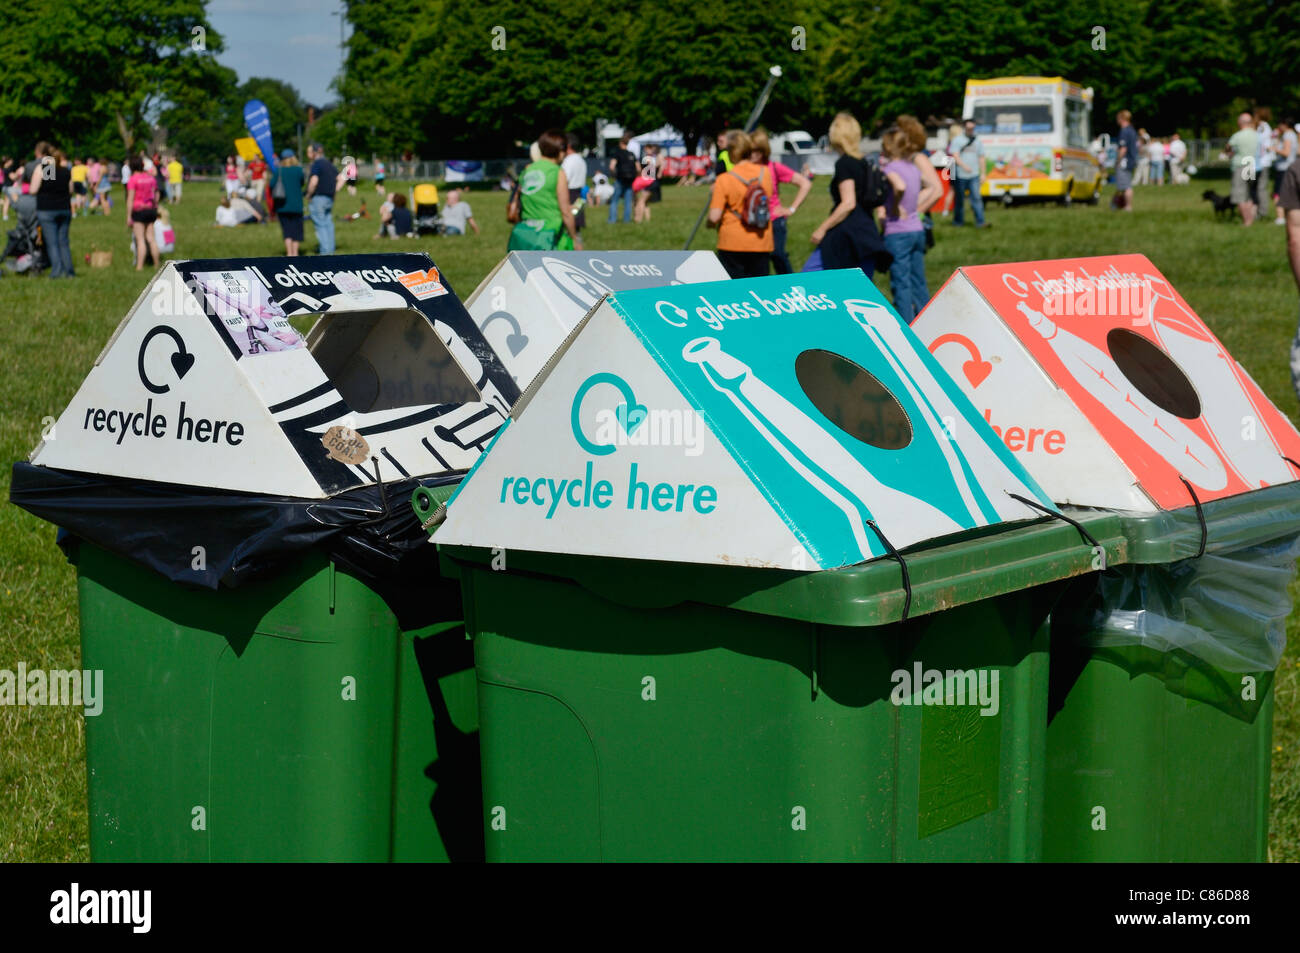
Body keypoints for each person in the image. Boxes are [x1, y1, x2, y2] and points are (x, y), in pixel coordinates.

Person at [809, 112, 889, 277]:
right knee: (861, 288)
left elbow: (848, 203)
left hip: (847, 233)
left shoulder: (844, 164)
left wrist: (821, 229)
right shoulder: (864, 162)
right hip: (867, 231)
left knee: (810, 276)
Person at [878, 125, 929, 322]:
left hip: (897, 231)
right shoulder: (914, 168)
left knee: (901, 282)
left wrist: (895, 206)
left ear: (889, 147)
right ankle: (926, 319)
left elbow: (899, 186)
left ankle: (907, 324)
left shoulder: (889, 168)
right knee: (919, 281)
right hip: (917, 228)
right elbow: (929, 186)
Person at [706, 129, 773, 278]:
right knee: (759, 292)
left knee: (733, 294)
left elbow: (714, 216)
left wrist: (709, 224)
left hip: (732, 243)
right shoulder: (765, 173)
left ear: (731, 152)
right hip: (761, 240)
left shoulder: (724, 179)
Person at [749, 129, 810, 274]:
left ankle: (791, 286)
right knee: (757, 260)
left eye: (756, 150)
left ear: (764, 150)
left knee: (778, 255)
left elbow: (805, 184)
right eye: (749, 150)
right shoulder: (744, 169)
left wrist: (791, 209)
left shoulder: (774, 167)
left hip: (775, 220)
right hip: (753, 221)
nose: (752, 154)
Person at [510, 127, 582, 251]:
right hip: (550, 236)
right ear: (561, 151)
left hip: (526, 234)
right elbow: (565, 212)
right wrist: (574, 238)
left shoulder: (528, 170)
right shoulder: (557, 173)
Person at [30, 145, 74, 278]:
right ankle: (69, 271)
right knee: (64, 242)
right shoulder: (66, 171)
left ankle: (57, 271)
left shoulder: (46, 169)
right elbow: (70, 190)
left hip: (48, 209)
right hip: (65, 209)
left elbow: (33, 189)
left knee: (52, 243)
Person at [947, 117, 988, 227]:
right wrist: (964, 166)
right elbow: (954, 156)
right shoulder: (957, 140)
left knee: (976, 198)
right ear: (964, 128)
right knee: (959, 200)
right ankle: (958, 222)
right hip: (960, 175)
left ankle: (980, 222)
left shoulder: (977, 141)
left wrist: (983, 173)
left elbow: (981, 157)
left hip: (974, 175)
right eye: (968, 128)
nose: (970, 130)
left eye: (972, 128)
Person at [124, 155, 160, 270]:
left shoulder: (132, 180)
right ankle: (156, 264)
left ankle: (139, 267)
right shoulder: (150, 178)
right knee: (151, 238)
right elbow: (156, 194)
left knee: (140, 240)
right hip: (151, 210)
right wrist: (155, 206)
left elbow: (130, 199)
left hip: (139, 211)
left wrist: (129, 216)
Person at [269, 148, 305, 256]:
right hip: (297, 205)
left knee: (287, 230)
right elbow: (302, 182)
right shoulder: (299, 170)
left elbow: (271, 185)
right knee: (296, 230)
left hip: (282, 205)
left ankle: (289, 253)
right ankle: (295, 253)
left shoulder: (279, 171)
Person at [1227, 111, 1259, 226]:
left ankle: (1247, 221)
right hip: (1252, 165)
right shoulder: (1256, 135)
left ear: (1240, 123)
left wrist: (1229, 153)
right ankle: (1251, 217)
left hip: (1240, 165)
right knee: (1248, 194)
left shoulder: (1237, 136)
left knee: (1239, 195)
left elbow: (1228, 148)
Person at [305, 143, 338, 254]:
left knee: (321, 225)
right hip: (329, 198)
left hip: (318, 198)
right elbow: (339, 178)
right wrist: (335, 191)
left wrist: (309, 194)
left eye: (310, 152)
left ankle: (325, 252)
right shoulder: (329, 164)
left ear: (314, 153)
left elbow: (314, 181)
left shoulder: (317, 164)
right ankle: (331, 249)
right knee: (328, 223)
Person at [607, 135, 637, 224]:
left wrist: (613, 175)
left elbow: (612, 166)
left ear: (620, 143)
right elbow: (638, 168)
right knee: (628, 200)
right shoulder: (631, 154)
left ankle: (612, 220)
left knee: (614, 200)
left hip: (620, 178)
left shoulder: (617, 153)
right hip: (630, 179)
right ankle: (626, 220)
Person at [562, 133, 588, 234]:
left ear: (568, 146)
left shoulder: (568, 161)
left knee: (568, 226)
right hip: (580, 196)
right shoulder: (580, 159)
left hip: (570, 195)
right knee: (576, 227)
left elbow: (564, 180)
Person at [1273, 119, 1297, 225]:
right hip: (1290, 166)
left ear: (1285, 124)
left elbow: (1286, 152)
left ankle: (1280, 217)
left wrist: (1273, 149)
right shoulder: (1293, 135)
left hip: (1283, 168)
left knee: (1278, 193)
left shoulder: (1287, 135)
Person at [1114, 110, 1139, 210]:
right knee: (1125, 184)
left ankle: (1127, 206)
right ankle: (1120, 205)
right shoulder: (1132, 130)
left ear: (1122, 118)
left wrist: (1118, 161)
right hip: (1131, 161)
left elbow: (1123, 149)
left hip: (1125, 161)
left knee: (1125, 186)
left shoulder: (1124, 131)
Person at [632, 144, 658, 224]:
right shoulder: (652, 157)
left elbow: (647, 171)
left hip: (648, 182)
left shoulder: (648, 158)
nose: (646, 150)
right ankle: (647, 220)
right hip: (651, 182)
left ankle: (638, 219)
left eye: (647, 149)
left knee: (641, 201)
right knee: (645, 203)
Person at [1256, 107, 1274, 214]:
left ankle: (1262, 211)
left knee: (1260, 187)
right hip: (1262, 161)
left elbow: (1260, 143)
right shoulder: (1266, 127)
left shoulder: (1262, 127)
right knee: (1259, 186)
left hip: (1261, 162)